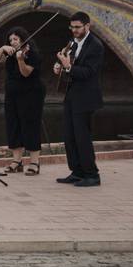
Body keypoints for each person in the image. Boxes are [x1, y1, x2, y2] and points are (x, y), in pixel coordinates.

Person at [54, 11, 104, 187]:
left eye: (77, 27)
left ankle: (92, 175)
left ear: (87, 26)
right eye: (72, 27)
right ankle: (77, 171)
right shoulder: (73, 44)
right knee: (69, 136)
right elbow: (69, 66)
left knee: (82, 137)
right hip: (71, 95)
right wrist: (60, 67)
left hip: (86, 98)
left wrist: (68, 66)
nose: (74, 30)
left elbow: (88, 72)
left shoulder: (95, 46)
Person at [0, 26, 45, 176]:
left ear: (22, 39)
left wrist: (21, 59)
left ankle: (34, 162)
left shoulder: (32, 54)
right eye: (10, 39)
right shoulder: (9, 53)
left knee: (30, 124)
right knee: (13, 124)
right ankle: (17, 161)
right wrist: (3, 48)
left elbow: (26, 73)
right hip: (12, 93)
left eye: (15, 39)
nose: (13, 42)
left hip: (31, 93)